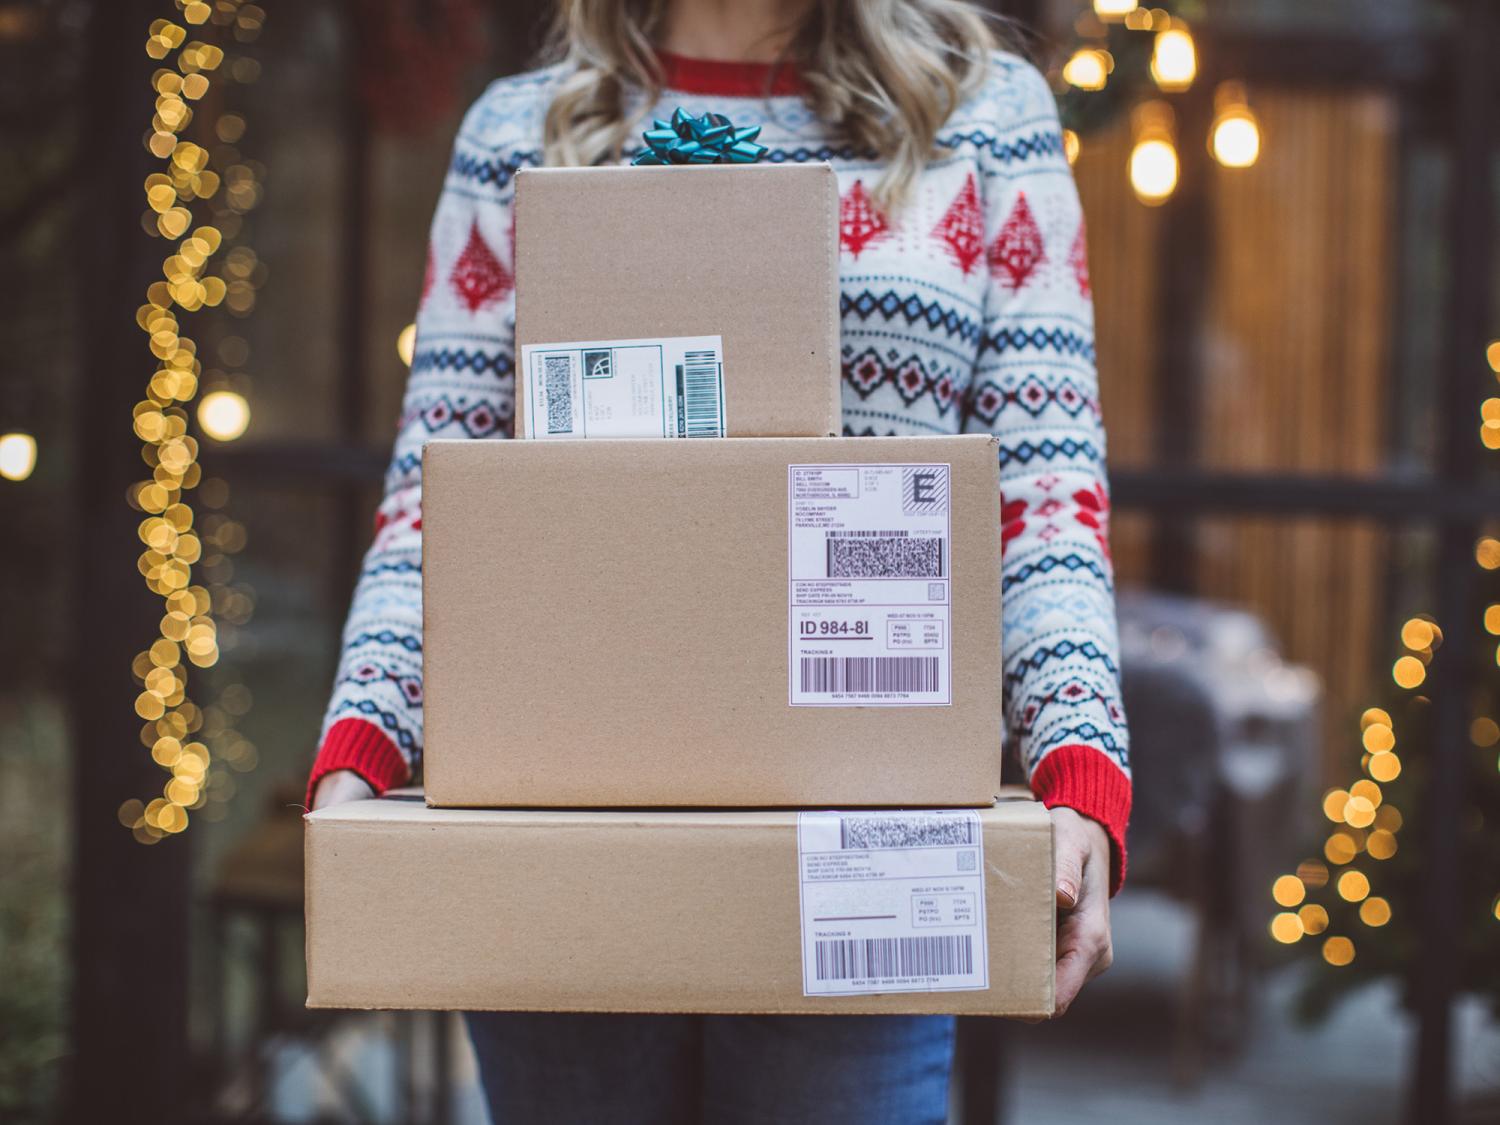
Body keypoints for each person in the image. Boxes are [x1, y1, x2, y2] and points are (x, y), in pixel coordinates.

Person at [309, 0, 1131, 1120]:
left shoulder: (983, 119)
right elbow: (435, 499)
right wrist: (365, 736)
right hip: (565, 827)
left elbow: (1042, 492)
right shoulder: (525, 134)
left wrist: (1079, 762)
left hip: (868, 830)